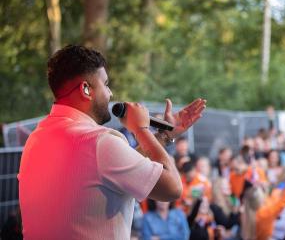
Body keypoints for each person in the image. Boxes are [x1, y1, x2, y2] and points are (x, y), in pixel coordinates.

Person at [18, 45, 207, 239]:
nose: (110, 94)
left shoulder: (37, 138)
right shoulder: (99, 141)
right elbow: (172, 189)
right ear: (85, 88)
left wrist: (164, 135)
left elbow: (118, 166)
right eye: (106, 84)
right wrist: (140, 129)